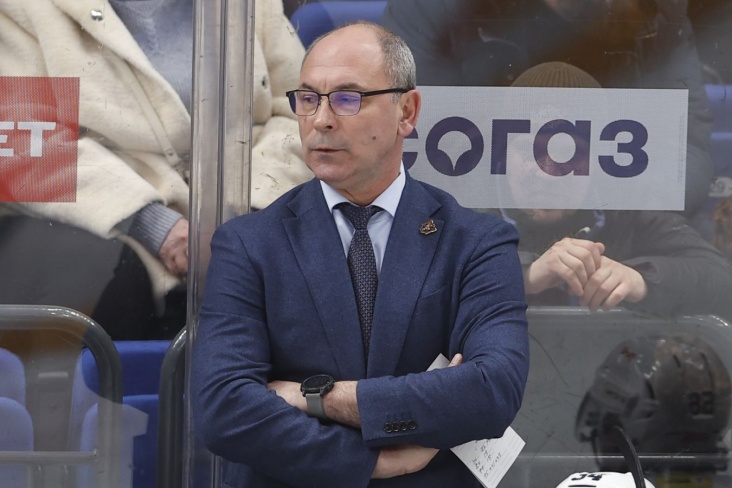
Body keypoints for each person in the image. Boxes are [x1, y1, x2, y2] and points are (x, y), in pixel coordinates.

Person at [192, 21, 530, 487]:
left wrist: (317, 397)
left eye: (348, 98)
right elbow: (222, 409)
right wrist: (371, 462)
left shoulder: (476, 241)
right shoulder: (249, 244)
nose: (321, 120)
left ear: (406, 112)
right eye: (308, 99)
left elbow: (492, 392)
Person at [0, 0, 312, 339]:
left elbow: (301, 111)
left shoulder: (254, 5)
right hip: (115, 237)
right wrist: (156, 227)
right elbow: (25, 141)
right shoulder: (21, 7)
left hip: (255, 216)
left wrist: (244, 217)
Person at [381, 0, 714, 220]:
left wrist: (597, 216)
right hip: (474, 229)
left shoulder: (655, 14)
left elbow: (688, 155)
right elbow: (411, 145)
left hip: (614, 238)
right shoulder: (436, 9)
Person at [497, 62, 732, 320]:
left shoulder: (625, 211)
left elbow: (720, 279)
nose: (546, 171)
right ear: (503, 156)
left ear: (595, 160)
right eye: (526, 149)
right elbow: (457, 273)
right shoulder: (473, 213)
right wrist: (521, 276)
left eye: (566, 151)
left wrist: (640, 279)